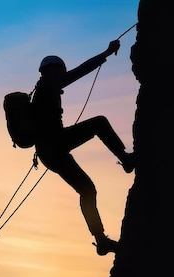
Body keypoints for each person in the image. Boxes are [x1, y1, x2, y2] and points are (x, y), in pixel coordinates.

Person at [32, 39, 135, 256]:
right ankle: (125, 159)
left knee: (87, 189)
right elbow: (78, 73)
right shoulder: (48, 85)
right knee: (98, 123)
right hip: (55, 144)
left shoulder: (43, 88)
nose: (63, 73)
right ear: (55, 70)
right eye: (61, 70)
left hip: (51, 150)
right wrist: (106, 53)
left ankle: (101, 240)